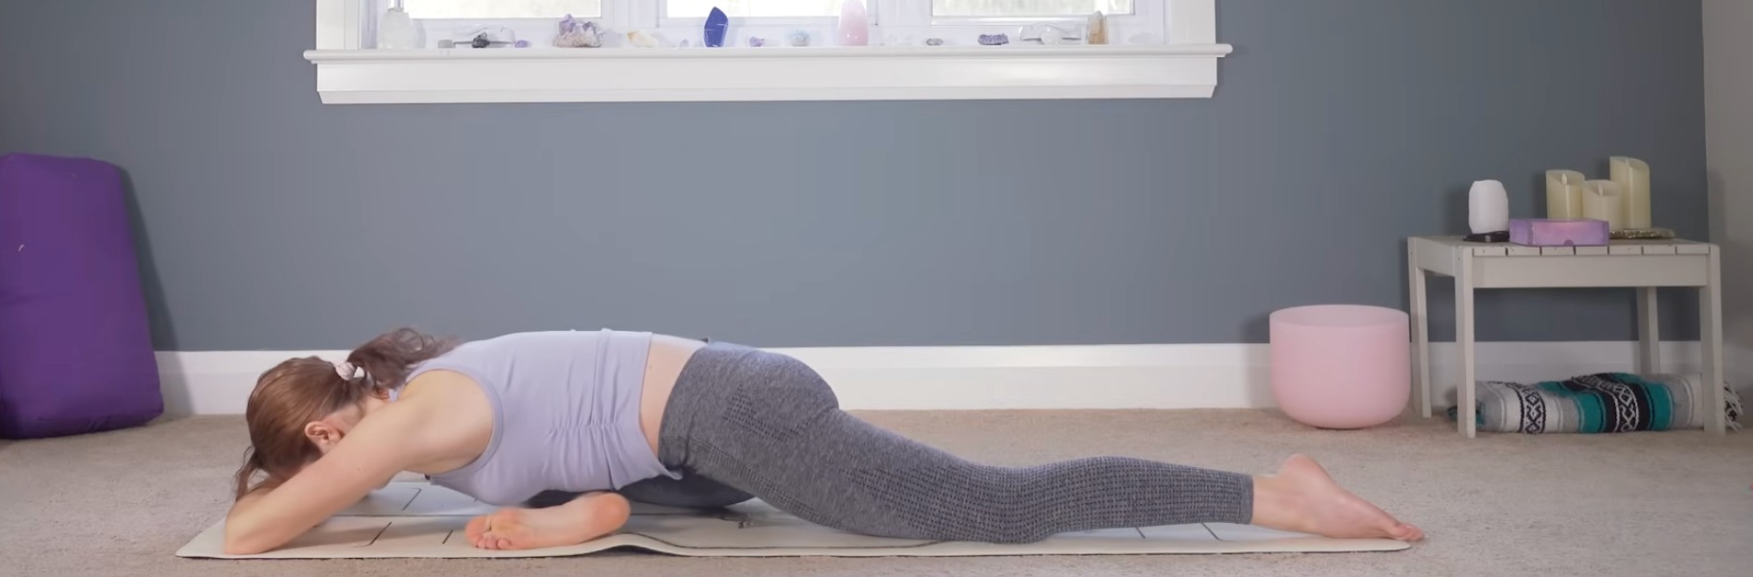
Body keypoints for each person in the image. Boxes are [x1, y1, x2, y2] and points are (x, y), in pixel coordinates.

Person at [222, 328, 1423, 555]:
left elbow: (246, 535)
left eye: (315, 466)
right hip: (689, 444)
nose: (328, 487)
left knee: (988, 507)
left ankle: (1280, 492)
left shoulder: (402, 420)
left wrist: (289, 496)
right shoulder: (423, 395)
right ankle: (590, 517)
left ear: (330, 428)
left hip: (731, 414)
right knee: (624, 500)